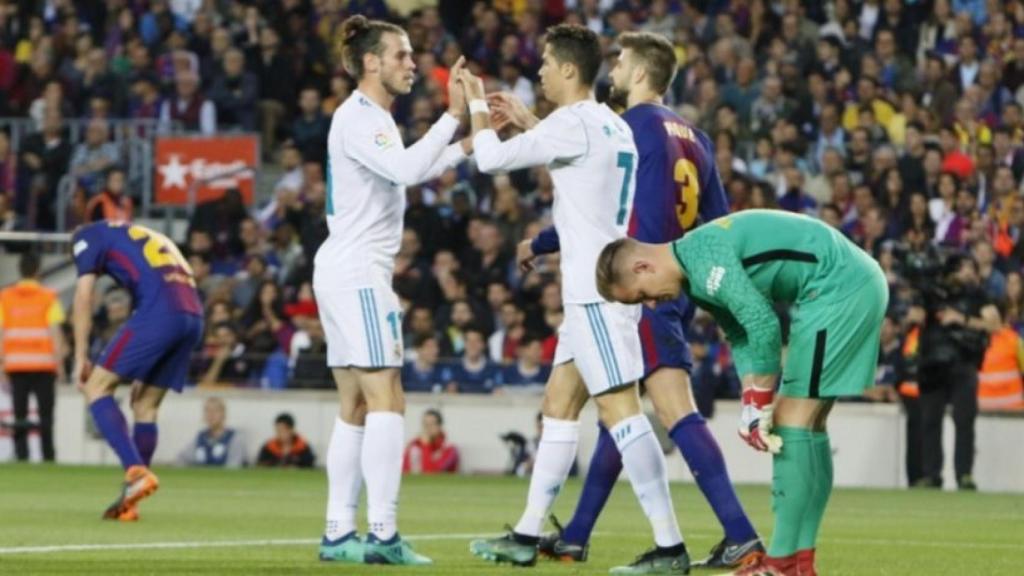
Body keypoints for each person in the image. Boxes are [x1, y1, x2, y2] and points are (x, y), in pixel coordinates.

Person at [514, 32, 763, 569]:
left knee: (671, 409)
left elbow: (602, 209)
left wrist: (541, 242)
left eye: (621, 64)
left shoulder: (627, 127)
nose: (613, 72)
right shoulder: (696, 137)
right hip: (674, 281)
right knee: (617, 409)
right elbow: (718, 223)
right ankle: (576, 534)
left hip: (636, 282)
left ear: (643, 74)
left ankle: (739, 534)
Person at [460, 25, 690, 573]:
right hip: (595, 293)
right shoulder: (610, 124)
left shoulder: (574, 124)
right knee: (559, 405)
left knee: (621, 413)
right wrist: (531, 122)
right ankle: (526, 533)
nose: (538, 71)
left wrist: (475, 104)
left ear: (568, 69)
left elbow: (490, 160)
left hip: (596, 296)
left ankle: (670, 546)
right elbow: (577, 162)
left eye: (545, 62)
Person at [595, 209, 889, 576]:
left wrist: (761, 401)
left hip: (838, 289)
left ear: (642, 267)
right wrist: (751, 401)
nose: (651, 304)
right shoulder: (694, 273)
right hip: (844, 285)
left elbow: (763, 326)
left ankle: (780, 563)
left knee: (790, 422)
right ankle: (799, 563)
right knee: (807, 425)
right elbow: (739, 334)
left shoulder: (704, 261)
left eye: (641, 296)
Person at [313, 15, 471, 566]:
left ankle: (338, 533)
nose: (412, 64)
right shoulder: (362, 116)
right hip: (359, 272)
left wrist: (462, 146)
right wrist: (453, 115)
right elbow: (405, 169)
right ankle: (383, 535)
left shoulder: (367, 118)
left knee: (355, 404)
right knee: (388, 399)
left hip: (340, 268)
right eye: (401, 55)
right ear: (371, 62)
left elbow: (405, 169)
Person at [71, 221, 204, 522]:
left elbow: (83, 296)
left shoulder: (85, 236)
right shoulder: (147, 234)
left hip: (160, 311)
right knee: (145, 405)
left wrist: (80, 355)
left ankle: (136, 472)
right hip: (193, 316)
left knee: (95, 387)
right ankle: (132, 501)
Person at [915, 254, 999, 490]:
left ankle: (964, 474)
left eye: (972, 268)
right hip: (932, 363)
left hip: (963, 362)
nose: (970, 272)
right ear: (950, 271)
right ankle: (932, 475)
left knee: (964, 420)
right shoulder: (931, 293)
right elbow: (915, 315)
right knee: (930, 421)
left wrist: (962, 319)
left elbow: (995, 324)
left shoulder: (978, 295)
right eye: (964, 268)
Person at [0, 253, 65, 462]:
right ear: (38, 271)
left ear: (20, 270)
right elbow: (55, 332)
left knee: (20, 416)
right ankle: (48, 457)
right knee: (46, 416)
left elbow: (2, 332)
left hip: (16, 366)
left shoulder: (5, 297)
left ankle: (22, 457)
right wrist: (60, 364)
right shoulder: (48, 297)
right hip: (44, 366)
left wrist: (2, 365)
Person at [176, 397, 248, 468]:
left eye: (215, 411)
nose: (211, 414)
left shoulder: (234, 438)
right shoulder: (201, 437)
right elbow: (181, 459)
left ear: (223, 414)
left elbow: (234, 466)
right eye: (207, 411)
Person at [401, 409, 459, 473]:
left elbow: (433, 472)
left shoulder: (449, 449)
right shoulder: (415, 445)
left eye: (431, 424)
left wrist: (426, 445)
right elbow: (405, 470)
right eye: (425, 424)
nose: (428, 428)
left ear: (439, 426)